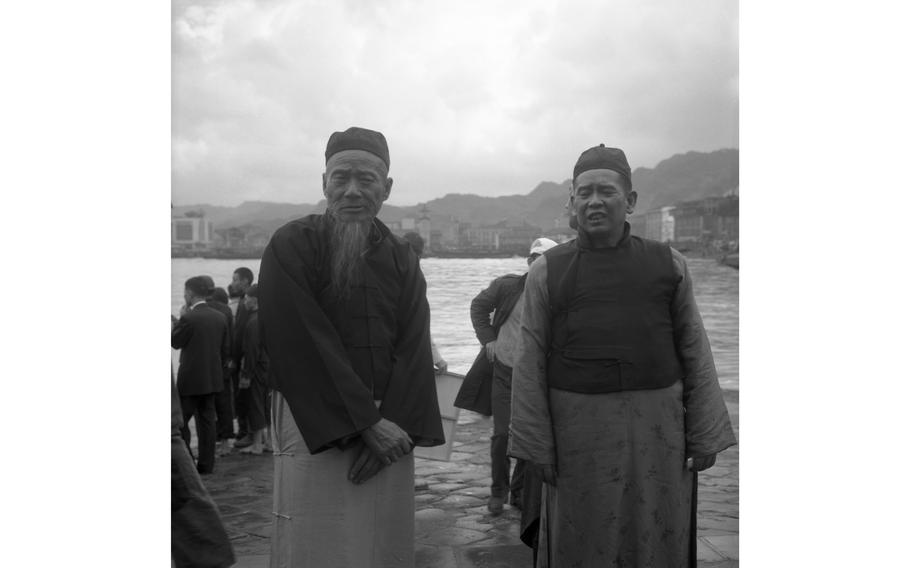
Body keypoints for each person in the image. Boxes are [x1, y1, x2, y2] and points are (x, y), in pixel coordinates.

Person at [509, 144, 737, 567]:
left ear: (630, 201)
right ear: (571, 203)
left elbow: (695, 349)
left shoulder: (669, 264)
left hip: (659, 432)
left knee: (657, 532)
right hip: (576, 434)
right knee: (581, 537)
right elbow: (529, 361)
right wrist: (535, 445)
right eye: (584, 192)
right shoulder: (548, 270)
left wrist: (704, 432)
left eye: (607, 191)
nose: (594, 201)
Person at [258, 126, 445, 567]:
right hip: (315, 422)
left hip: (389, 428)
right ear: (323, 182)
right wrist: (366, 424)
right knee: (315, 541)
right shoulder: (292, 244)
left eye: (367, 179)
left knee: (381, 540)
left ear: (388, 188)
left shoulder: (402, 257)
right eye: (340, 178)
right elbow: (299, 340)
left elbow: (415, 346)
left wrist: (392, 426)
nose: (353, 191)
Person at [454, 237, 557, 517]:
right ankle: (498, 489)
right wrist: (488, 340)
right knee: (502, 434)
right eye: (535, 259)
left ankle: (519, 490)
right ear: (529, 262)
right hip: (502, 371)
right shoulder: (507, 286)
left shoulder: (558, 295)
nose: (539, 265)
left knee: (530, 436)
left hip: (536, 378)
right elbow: (478, 307)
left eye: (545, 260)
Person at [171, 369, 235, 568]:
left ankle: (206, 462)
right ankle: (207, 463)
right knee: (202, 543)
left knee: (201, 540)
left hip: (196, 380)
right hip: (210, 378)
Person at [172, 276, 231, 475]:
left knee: (180, 423)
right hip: (212, 378)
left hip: (190, 380)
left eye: (185, 292)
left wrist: (179, 320)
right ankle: (206, 465)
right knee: (207, 423)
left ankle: (187, 461)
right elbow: (225, 349)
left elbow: (175, 342)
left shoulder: (189, 317)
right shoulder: (220, 317)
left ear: (190, 293)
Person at [402, 231, 447, 374]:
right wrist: (437, 359)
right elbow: (419, 323)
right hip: (405, 360)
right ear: (418, 255)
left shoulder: (382, 274)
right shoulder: (414, 281)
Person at [203, 279, 236, 456]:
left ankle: (210, 442)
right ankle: (225, 442)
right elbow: (229, 339)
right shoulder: (226, 310)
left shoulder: (194, 309)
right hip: (222, 363)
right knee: (224, 404)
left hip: (203, 365)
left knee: (207, 406)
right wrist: (229, 359)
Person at [236, 284, 270, 455]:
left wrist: (246, 374)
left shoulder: (253, 321)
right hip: (268, 366)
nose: (244, 301)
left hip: (257, 368)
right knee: (266, 404)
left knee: (255, 404)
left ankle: (257, 444)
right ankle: (270, 441)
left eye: (247, 298)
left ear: (255, 300)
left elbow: (251, 351)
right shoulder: (266, 317)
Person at [229, 267, 255, 447]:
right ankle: (244, 431)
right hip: (242, 355)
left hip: (245, 356)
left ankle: (246, 432)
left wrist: (235, 357)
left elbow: (242, 333)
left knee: (244, 396)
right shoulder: (244, 300)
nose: (233, 283)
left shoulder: (248, 302)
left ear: (245, 281)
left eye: (236, 279)